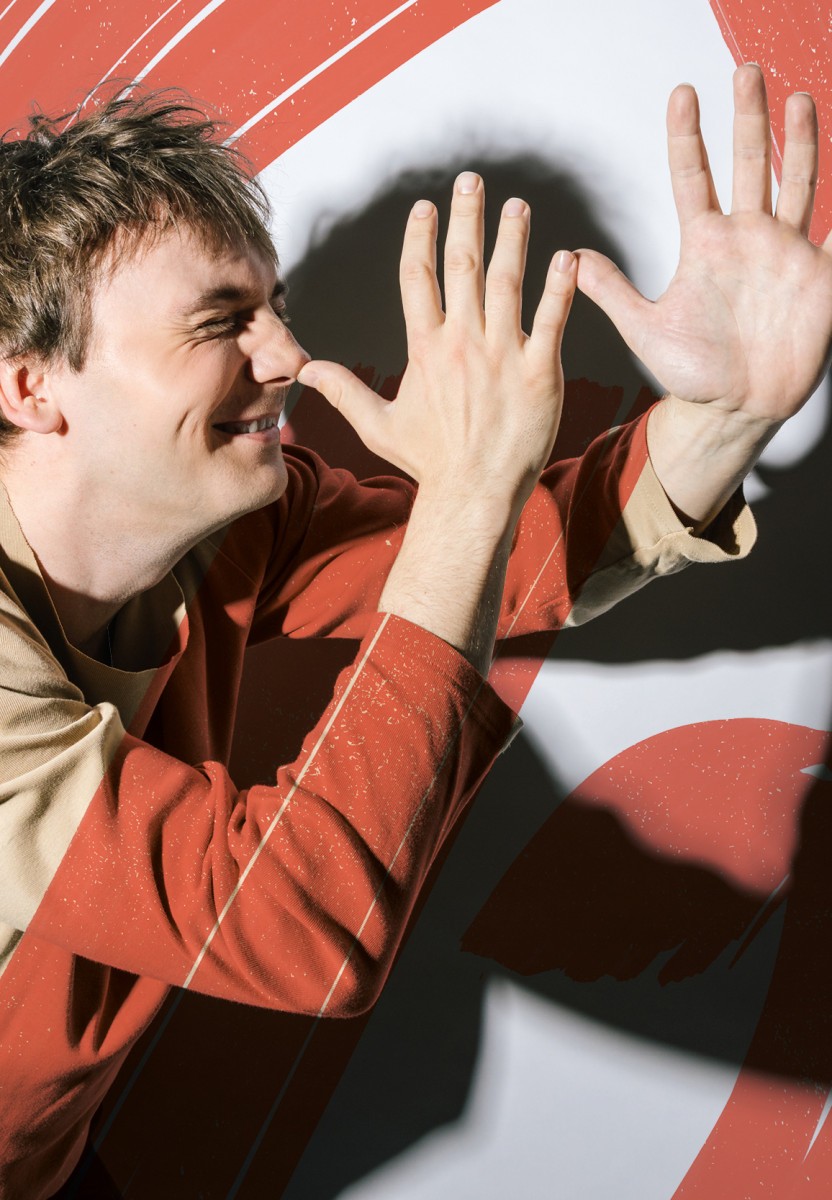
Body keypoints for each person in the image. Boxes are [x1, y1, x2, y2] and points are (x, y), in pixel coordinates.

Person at [0, 62, 826, 1198]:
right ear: (30, 385)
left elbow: (506, 565)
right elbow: (295, 928)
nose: (287, 358)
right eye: (220, 323)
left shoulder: (236, 526)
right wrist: (468, 490)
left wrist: (726, 413)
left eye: (273, 308)